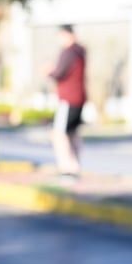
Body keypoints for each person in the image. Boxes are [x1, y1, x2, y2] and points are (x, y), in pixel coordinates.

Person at [44, 24, 86, 180]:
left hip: (68, 99)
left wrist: (49, 70)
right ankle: (74, 166)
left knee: (58, 134)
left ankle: (67, 169)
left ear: (66, 35)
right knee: (71, 133)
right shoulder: (80, 51)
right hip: (79, 98)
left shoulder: (68, 52)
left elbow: (59, 73)